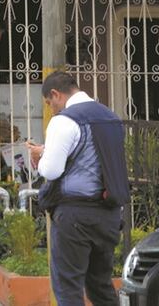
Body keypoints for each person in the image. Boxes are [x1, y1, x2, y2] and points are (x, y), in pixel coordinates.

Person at [25, 72, 129, 306]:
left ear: (56, 94)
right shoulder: (111, 118)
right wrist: (48, 151)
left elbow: (51, 171)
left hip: (75, 216)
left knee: (68, 289)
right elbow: (94, 157)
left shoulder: (64, 120)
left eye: (49, 103)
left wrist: (39, 158)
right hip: (109, 215)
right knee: (100, 286)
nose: (51, 109)